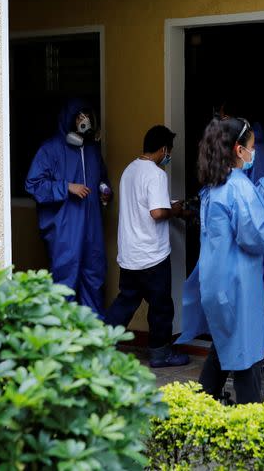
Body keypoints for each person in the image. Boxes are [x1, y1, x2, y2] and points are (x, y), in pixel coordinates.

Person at [177, 117, 264, 404]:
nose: (254, 153)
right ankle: (250, 425)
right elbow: (252, 236)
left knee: (223, 346)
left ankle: (202, 407)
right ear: (238, 149)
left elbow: (241, 210)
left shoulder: (215, 184)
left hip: (217, 284)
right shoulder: (238, 187)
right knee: (246, 355)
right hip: (237, 286)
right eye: (252, 147)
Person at [105, 125, 190, 368]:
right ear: (163, 149)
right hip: (152, 254)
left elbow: (141, 206)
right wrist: (174, 209)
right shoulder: (155, 174)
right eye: (169, 151)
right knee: (161, 306)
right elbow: (156, 212)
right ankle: (160, 354)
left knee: (125, 302)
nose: (168, 156)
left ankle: (101, 344)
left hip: (130, 252)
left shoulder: (129, 170)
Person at [26, 99, 111, 317]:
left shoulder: (92, 151)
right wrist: (66, 187)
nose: (84, 121)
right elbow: (33, 184)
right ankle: (64, 338)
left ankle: (94, 336)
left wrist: (104, 189)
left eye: (87, 116)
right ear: (68, 118)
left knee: (93, 276)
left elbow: (102, 178)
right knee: (65, 278)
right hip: (65, 228)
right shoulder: (50, 149)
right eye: (79, 116)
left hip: (91, 226)